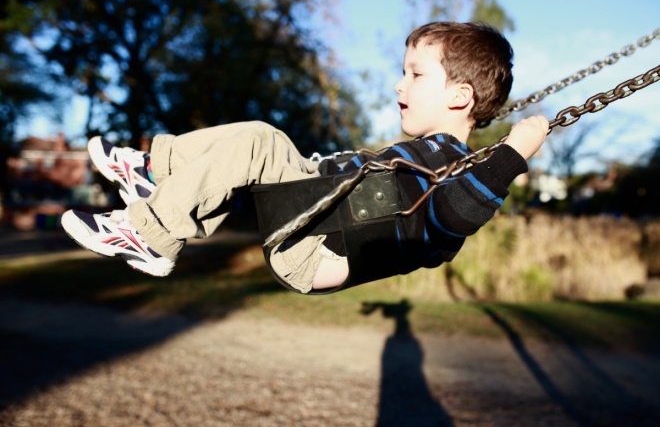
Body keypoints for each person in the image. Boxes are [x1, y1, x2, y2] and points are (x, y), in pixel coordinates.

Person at [62, 22, 548, 294]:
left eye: (416, 75)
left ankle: (151, 237)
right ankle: (153, 172)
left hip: (322, 249)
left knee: (259, 142)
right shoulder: (422, 155)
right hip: (315, 223)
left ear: (460, 97)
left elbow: (454, 217)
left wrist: (513, 153)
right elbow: (339, 176)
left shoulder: (457, 169)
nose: (399, 86)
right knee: (261, 136)